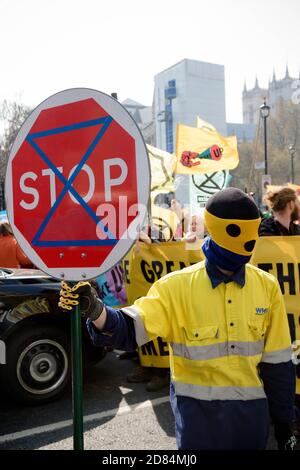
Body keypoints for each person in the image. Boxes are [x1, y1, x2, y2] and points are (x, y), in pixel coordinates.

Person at [59, 188, 296, 450]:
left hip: (251, 427)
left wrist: (285, 424)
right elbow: (129, 329)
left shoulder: (267, 287)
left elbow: (278, 364)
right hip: (198, 430)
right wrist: (96, 310)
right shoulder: (175, 288)